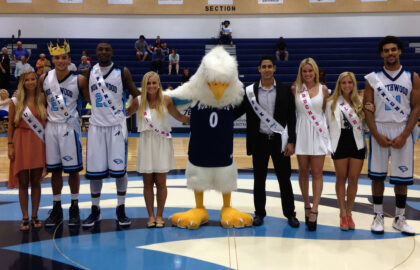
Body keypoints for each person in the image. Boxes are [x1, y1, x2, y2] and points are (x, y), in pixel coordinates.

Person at [234, 55, 299, 228]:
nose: (267, 69)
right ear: (259, 69)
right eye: (264, 66)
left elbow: (292, 118)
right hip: (260, 141)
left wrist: (291, 141)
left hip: (280, 142)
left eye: (270, 66)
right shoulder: (250, 92)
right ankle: (259, 213)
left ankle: (290, 213)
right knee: (259, 179)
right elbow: (236, 111)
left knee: (284, 179)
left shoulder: (285, 90)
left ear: (275, 68)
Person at [364, 36, 420, 235]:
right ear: (381, 54)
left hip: (401, 130)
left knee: (401, 180)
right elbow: (368, 108)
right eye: (386, 50)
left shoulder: (412, 77)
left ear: (399, 52)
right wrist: (376, 134)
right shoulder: (373, 78)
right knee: (377, 177)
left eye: (393, 50)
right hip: (380, 129)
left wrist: (405, 134)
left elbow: (416, 108)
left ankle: (400, 218)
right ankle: (378, 216)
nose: (390, 53)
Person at [83, 41, 140, 228]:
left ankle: (120, 208)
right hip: (96, 128)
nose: (104, 52)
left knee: (120, 171)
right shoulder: (88, 72)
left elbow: (137, 95)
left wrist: (128, 112)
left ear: (112, 52)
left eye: (107, 49)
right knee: (95, 172)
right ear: (96, 52)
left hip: (116, 127)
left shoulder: (122, 72)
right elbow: (83, 96)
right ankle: (95, 210)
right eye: (100, 49)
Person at [126, 71, 189, 228]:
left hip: (162, 143)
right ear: (144, 85)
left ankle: (160, 215)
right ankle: (151, 216)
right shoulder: (138, 101)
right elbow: (125, 113)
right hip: (146, 143)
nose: (152, 86)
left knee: (161, 182)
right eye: (148, 83)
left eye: (154, 83)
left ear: (159, 84)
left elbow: (180, 117)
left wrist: (199, 119)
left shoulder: (166, 100)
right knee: (147, 182)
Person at [40, 40, 90, 227]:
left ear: (69, 59)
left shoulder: (79, 80)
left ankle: (75, 205)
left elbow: (89, 100)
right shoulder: (44, 79)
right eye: (56, 58)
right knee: (55, 171)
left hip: (69, 127)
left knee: (73, 171)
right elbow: (39, 101)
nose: (60, 61)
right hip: (51, 127)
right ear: (52, 59)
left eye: (64, 57)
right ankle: (57, 206)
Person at [291, 57, 330, 231]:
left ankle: (315, 209)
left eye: (310, 71)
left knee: (317, 172)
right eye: (304, 71)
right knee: (303, 172)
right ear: (301, 72)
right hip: (302, 132)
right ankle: (306, 204)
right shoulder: (295, 89)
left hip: (318, 132)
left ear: (315, 71)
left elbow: (324, 113)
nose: (307, 74)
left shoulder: (324, 89)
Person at [7, 66, 46, 231]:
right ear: (22, 83)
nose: (30, 82)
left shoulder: (42, 98)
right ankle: (24, 216)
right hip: (21, 141)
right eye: (27, 80)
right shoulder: (14, 101)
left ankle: (35, 215)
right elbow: (10, 124)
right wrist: (10, 145)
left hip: (38, 142)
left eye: (33, 79)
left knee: (36, 181)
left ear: (36, 81)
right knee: (23, 182)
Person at [326, 72, 366, 231]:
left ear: (354, 84)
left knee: (354, 179)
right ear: (339, 84)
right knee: (341, 178)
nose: (347, 85)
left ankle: (350, 213)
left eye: (350, 82)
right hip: (339, 143)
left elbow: (367, 124)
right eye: (344, 82)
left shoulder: (360, 101)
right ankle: (342, 213)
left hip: (357, 144)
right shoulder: (331, 103)